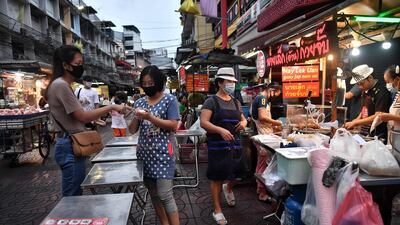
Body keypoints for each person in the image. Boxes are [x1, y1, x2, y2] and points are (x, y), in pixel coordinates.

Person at [46, 45, 129, 196]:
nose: (81, 67)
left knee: (75, 191)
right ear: (65, 65)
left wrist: (96, 119)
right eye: (78, 64)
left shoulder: (62, 85)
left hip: (72, 143)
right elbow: (82, 116)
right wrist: (112, 107)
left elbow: (76, 117)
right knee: (72, 196)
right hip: (69, 144)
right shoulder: (61, 85)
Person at [128, 65, 180, 225]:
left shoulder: (170, 100)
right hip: (145, 155)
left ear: (158, 82)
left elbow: (173, 125)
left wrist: (150, 117)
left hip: (164, 154)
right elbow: (132, 130)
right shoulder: (140, 101)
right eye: (144, 83)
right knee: (154, 195)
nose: (148, 86)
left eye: (151, 83)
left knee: (165, 195)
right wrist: (137, 116)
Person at [200, 67, 247, 225]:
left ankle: (228, 188)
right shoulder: (211, 101)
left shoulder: (236, 102)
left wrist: (243, 123)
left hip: (235, 144)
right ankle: (217, 210)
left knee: (239, 173)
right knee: (217, 177)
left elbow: (244, 119)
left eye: (233, 82)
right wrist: (220, 130)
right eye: (228, 82)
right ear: (220, 83)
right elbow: (204, 122)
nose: (231, 85)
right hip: (217, 146)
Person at [250, 84, 282, 202]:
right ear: (271, 90)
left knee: (262, 163)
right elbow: (262, 117)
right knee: (263, 165)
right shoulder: (262, 99)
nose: (275, 97)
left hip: (263, 135)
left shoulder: (259, 99)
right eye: (276, 94)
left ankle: (260, 189)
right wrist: (277, 123)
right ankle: (262, 192)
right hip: (262, 137)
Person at [344, 64, 391, 140]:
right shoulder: (365, 90)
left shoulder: (382, 92)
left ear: (370, 78)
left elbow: (378, 116)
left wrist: (356, 122)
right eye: (358, 84)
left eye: (361, 84)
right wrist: (356, 120)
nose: (360, 87)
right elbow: (364, 108)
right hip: (365, 132)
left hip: (377, 135)